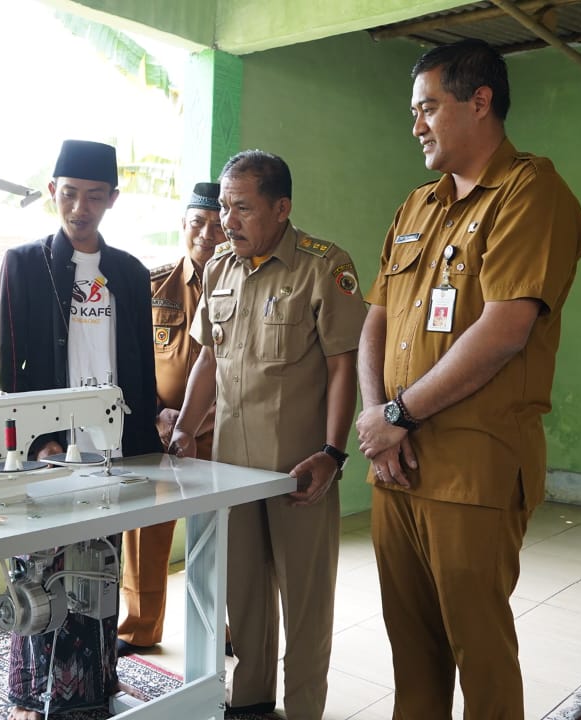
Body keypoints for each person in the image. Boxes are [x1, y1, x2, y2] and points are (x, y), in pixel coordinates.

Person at [354, 39, 581, 719]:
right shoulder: (416, 206)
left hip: (471, 469)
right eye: (414, 111)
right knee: (412, 653)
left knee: (479, 654)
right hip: (395, 464)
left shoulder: (529, 189)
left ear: (480, 101)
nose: (416, 124)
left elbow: (505, 328)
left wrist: (397, 415)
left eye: (429, 107)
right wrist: (380, 423)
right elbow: (377, 319)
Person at [169, 150, 366, 720]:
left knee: (305, 600)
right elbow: (208, 357)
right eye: (225, 207)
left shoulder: (323, 266)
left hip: (297, 469)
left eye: (242, 209)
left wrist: (332, 453)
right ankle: (250, 697)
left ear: (281, 208)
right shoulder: (219, 269)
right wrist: (185, 426)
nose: (227, 221)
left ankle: (305, 708)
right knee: (244, 592)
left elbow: (341, 366)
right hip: (231, 465)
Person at [0, 139, 160, 719]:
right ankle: (29, 694)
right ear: (52, 194)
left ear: (112, 198)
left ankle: (96, 685)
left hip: (111, 450)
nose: (80, 208)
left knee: (100, 568)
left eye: (94, 196)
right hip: (48, 451)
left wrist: (146, 440)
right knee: (40, 569)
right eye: (69, 194)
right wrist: (35, 438)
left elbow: (141, 360)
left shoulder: (131, 273)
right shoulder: (22, 264)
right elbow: (8, 359)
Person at [116, 181, 225, 657]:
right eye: (198, 223)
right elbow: (132, 359)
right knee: (145, 533)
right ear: (184, 225)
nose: (208, 233)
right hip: (160, 429)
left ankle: (224, 628)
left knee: (222, 534)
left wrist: (210, 415)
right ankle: (139, 629)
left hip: (224, 429)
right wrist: (154, 414)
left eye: (218, 225)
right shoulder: (152, 284)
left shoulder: (244, 282)